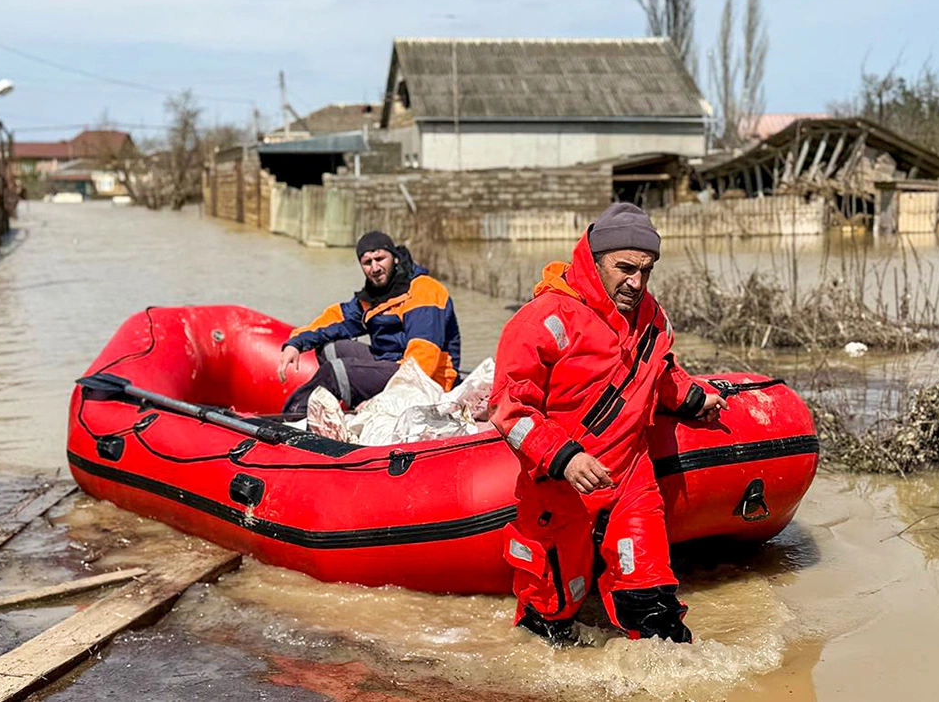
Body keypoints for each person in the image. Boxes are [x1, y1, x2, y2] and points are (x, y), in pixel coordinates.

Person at [488, 202, 726, 645]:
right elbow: (509, 406)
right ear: (595, 259)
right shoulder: (543, 319)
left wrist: (695, 399)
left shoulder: (650, 316)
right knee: (550, 617)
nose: (636, 282)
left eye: (646, 271)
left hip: (631, 479)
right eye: (625, 268)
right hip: (561, 486)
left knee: (655, 604)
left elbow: (661, 371)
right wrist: (564, 457)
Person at [278, 231, 461, 413]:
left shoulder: (424, 290)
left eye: (380, 259)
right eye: (367, 263)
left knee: (336, 371)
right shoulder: (373, 297)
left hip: (430, 382)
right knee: (331, 348)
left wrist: (380, 400)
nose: (375, 268)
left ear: (395, 258)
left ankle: (291, 419)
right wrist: (295, 343)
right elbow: (334, 318)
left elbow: (423, 362)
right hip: (390, 364)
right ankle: (344, 410)